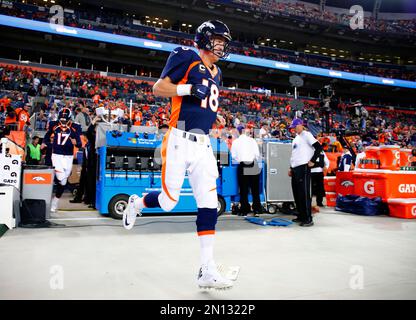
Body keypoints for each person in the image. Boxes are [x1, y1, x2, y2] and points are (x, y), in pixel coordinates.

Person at [122, 20, 234, 290]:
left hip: (203, 142)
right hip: (178, 137)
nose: (222, 44)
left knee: (208, 203)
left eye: (224, 41)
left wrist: (213, 117)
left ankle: (207, 269)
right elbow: (158, 88)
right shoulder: (185, 56)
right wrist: (187, 89)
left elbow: (203, 100)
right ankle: (137, 203)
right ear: (205, 38)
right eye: (218, 39)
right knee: (169, 202)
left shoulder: (217, 72)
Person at [42, 107, 82, 212]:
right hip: (56, 155)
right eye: (62, 119)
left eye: (65, 119)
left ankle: (55, 200)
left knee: (63, 182)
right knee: (62, 179)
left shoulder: (75, 127)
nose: (63, 121)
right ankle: (54, 203)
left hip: (68, 156)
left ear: (70, 118)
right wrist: (46, 143)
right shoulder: (53, 124)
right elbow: (47, 136)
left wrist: (76, 143)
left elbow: (79, 143)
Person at [288, 118, 323, 227]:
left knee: (303, 194)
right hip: (295, 168)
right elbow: (294, 154)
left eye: (295, 127)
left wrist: (312, 160)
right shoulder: (296, 138)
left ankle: (308, 218)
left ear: (300, 125)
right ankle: (300, 215)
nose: (294, 129)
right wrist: (291, 167)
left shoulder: (306, 134)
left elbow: (318, 147)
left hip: (303, 167)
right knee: (297, 193)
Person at [231, 125, 262, 216]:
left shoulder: (236, 142)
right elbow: (257, 154)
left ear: (238, 132)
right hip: (252, 164)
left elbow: (234, 156)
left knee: (243, 188)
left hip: (243, 164)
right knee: (254, 189)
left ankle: (244, 209)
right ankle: (257, 208)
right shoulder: (252, 140)